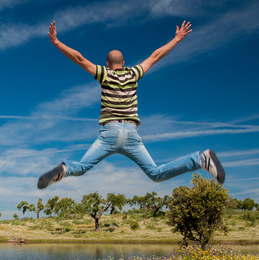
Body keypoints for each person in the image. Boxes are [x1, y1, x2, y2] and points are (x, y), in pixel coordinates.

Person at [37, 21, 225, 189]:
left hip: (108, 134)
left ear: (107, 63)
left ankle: (65, 168)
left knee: (83, 167)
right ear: (124, 63)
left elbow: (79, 58)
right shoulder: (133, 73)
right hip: (131, 134)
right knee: (156, 173)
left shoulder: (104, 74)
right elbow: (156, 56)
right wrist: (176, 40)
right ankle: (200, 159)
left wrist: (57, 42)